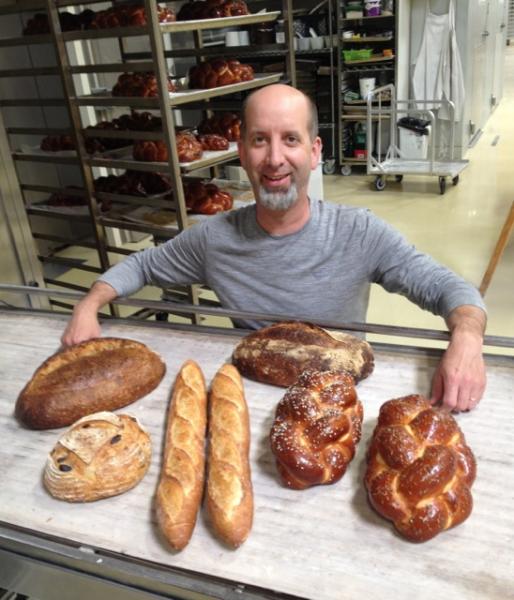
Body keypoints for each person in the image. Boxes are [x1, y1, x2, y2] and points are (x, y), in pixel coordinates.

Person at [62, 84, 487, 412]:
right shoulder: (214, 238)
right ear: (243, 153)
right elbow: (141, 266)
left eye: (291, 139)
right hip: (248, 398)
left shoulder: (359, 232)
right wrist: (89, 304)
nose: (275, 158)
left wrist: (467, 339)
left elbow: (445, 287)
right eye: (260, 140)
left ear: (314, 152)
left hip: (339, 398)